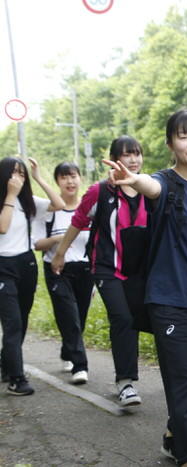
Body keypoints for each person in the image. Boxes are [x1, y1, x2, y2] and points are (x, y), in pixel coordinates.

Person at [103, 109, 187, 467]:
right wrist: (132, 178)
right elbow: (150, 186)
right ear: (170, 144)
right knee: (183, 380)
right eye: (183, 136)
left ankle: (174, 436)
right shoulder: (164, 182)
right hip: (169, 300)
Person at [52, 136, 147, 407]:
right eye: (127, 154)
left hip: (138, 271)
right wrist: (60, 254)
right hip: (106, 268)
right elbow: (77, 221)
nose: (133, 159)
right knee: (122, 318)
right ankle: (125, 382)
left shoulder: (149, 188)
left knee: (140, 319)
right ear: (115, 158)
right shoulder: (100, 191)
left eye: (137, 154)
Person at [0, 156, 64, 395]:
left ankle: (7, 362)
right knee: (13, 322)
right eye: (13, 173)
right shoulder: (6, 201)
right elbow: (2, 227)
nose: (17, 178)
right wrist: (9, 195)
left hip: (26, 264)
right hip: (2, 266)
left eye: (22, 174)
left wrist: (38, 178)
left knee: (22, 318)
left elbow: (58, 204)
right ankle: (17, 379)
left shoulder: (28, 202)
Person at [35, 162, 92, 384]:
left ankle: (68, 351)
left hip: (85, 269)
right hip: (58, 269)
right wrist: (63, 238)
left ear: (80, 179)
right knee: (69, 317)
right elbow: (38, 244)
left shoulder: (88, 209)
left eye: (74, 176)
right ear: (57, 181)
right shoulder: (50, 212)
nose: (70, 181)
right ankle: (80, 366)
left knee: (80, 318)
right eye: (64, 177)